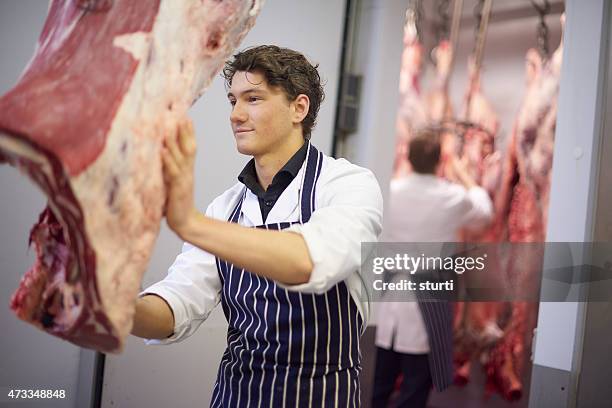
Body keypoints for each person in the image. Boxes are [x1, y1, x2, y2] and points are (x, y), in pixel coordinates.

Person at [131, 45, 383, 408]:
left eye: (253, 98)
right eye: (233, 100)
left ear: (299, 108)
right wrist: (120, 309)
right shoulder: (225, 209)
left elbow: (308, 260)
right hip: (237, 397)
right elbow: (178, 302)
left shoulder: (347, 185)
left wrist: (188, 222)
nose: (235, 114)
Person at [372, 127, 493, 407]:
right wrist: (464, 174)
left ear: (408, 158)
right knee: (415, 386)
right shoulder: (450, 197)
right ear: (441, 161)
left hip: (390, 294)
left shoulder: (390, 191)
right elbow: (485, 214)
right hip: (428, 297)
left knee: (381, 382)